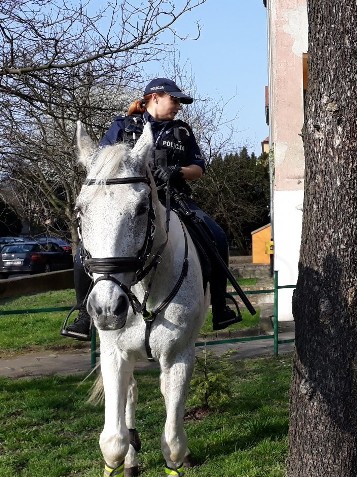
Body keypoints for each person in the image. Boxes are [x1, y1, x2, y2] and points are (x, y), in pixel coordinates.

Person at [61, 78, 241, 340]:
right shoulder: (122, 126)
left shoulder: (182, 131)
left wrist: (176, 170)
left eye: (179, 101)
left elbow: (198, 168)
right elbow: (101, 164)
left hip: (175, 198)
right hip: (127, 203)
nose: (178, 106)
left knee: (216, 234)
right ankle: (83, 314)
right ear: (155, 97)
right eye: (175, 100)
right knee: (83, 253)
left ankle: (220, 305)